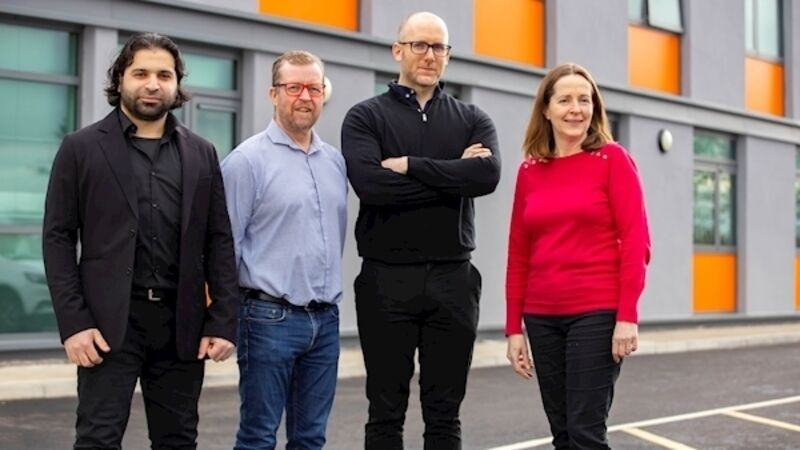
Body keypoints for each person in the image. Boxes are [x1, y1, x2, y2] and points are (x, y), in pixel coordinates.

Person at [42, 32, 239, 449]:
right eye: (141, 73)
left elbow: (219, 240)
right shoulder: (80, 148)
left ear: (176, 84)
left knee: (178, 441)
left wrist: (222, 320)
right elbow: (58, 238)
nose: (152, 84)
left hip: (180, 325)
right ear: (120, 79)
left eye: (164, 75)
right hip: (107, 324)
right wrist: (74, 324)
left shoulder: (201, 152)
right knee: (97, 439)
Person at [341, 11, 501, 450]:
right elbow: (372, 186)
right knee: (385, 413)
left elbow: (486, 177)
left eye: (439, 47)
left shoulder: (472, 118)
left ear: (448, 56)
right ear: (398, 50)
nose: (430, 55)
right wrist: (453, 176)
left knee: (445, 416)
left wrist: (411, 166)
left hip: (454, 280)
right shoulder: (365, 117)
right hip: (386, 279)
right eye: (420, 45)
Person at [505, 62, 651, 449]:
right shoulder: (530, 170)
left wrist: (627, 316)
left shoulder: (612, 159)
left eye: (584, 100)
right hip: (541, 316)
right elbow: (518, 253)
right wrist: (514, 328)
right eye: (565, 100)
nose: (576, 109)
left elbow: (636, 241)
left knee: (586, 433)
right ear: (546, 109)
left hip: (596, 313)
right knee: (563, 434)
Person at [222, 50, 347, 450]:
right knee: (258, 437)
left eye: (314, 88)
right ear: (273, 94)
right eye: (294, 87)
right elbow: (224, 247)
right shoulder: (246, 162)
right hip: (267, 319)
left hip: (325, 321)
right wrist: (221, 320)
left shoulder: (335, 162)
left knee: (311, 439)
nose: (305, 96)